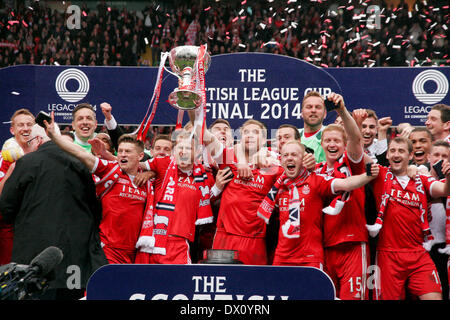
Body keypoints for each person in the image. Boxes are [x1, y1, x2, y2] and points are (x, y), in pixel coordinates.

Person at [0, 123, 107, 300]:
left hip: (34, 257)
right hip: (74, 257)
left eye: (29, 142)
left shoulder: (26, 162)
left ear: (39, 140)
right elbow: (94, 207)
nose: (28, 147)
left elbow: (6, 206)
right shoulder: (80, 164)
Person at [45, 112, 152, 264]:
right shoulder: (110, 169)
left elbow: (170, 166)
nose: (122, 154)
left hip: (137, 251)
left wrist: (151, 172)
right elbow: (82, 154)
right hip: (108, 249)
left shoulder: (148, 181)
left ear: (140, 156)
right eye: (120, 151)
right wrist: (55, 137)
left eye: (127, 152)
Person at [257, 140, 378, 270]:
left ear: (304, 159)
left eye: (294, 155)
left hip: (310, 258)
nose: (289, 158)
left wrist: (368, 176)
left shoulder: (316, 181)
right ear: (281, 160)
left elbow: (346, 184)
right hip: (282, 257)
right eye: (286, 155)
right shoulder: (278, 186)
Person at [192, 114, 284, 265]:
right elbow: (202, 133)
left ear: (264, 140)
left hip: (255, 239)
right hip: (225, 237)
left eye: (255, 133)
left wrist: (265, 154)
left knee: (252, 286)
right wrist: (194, 108)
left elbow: (297, 166)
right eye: (246, 132)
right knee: (223, 281)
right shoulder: (229, 158)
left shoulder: (273, 164)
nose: (250, 135)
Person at [366, 136, 450, 300]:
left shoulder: (421, 179)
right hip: (387, 255)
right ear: (387, 155)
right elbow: (355, 152)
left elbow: (445, 190)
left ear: (410, 155)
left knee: (434, 297)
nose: (396, 154)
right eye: (393, 151)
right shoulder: (380, 175)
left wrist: (449, 176)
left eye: (401, 151)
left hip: (419, 253)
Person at [315, 93, 371, 300]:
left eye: (337, 141)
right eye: (327, 140)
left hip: (353, 244)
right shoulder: (315, 172)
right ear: (321, 144)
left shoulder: (352, 164)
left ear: (344, 144)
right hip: (325, 247)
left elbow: (356, 138)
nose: (332, 144)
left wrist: (341, 111)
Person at [135, 130, 214, 264]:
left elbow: (206, 201)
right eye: (180, 148)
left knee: (179, 284)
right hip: (151, 240)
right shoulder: (162, 166)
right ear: (174, 152)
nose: (183, 152)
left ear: (197, 153)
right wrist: (150, 173)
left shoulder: (205, 176)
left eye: (188, 148)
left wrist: (217, 186)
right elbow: (130, 163)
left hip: (179, 243)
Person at [0, 109, 35, 265]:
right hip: (9, 227)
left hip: (34, 225)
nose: (26, 128)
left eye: (29, 125)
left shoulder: (42, 155)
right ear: (12, 129)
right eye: (21, 125)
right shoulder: (4, 158)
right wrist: (14, 168)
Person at [298, 91, 327, 163]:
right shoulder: (291, 135)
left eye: (318, 107)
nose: (313, 110)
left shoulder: (332, 134)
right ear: (302, 113)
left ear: (325, 114)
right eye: (309, 107)